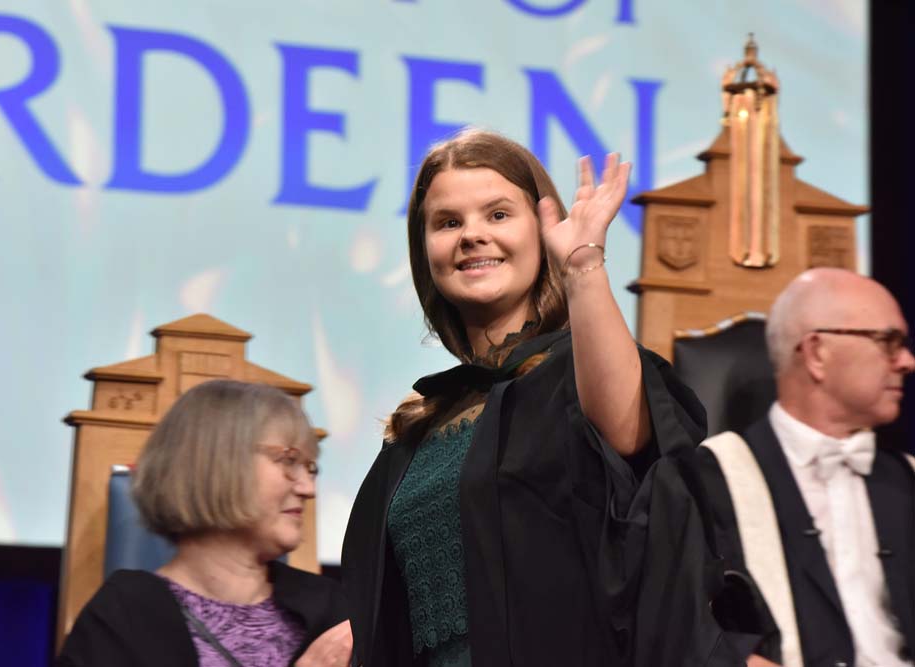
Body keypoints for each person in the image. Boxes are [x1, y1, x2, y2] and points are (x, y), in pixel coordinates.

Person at [341, 128, 748, 666]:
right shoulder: (417, 427)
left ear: (540, 231)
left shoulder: (574, 376)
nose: (472, 235)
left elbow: (627, 434)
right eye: (448, 223)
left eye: (498, 214)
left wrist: (582, 265)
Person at [698, 268, 915, 667]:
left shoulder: (908, 477)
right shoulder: (710, 479)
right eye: (888, 341)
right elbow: (677, 627)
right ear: (817, 353)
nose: (907, 361)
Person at [58, 380, 352, 667]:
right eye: (288, 461)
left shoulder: (334, 610)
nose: (308, 489)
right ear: (216, 462)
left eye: (310, 468)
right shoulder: (123, 616)